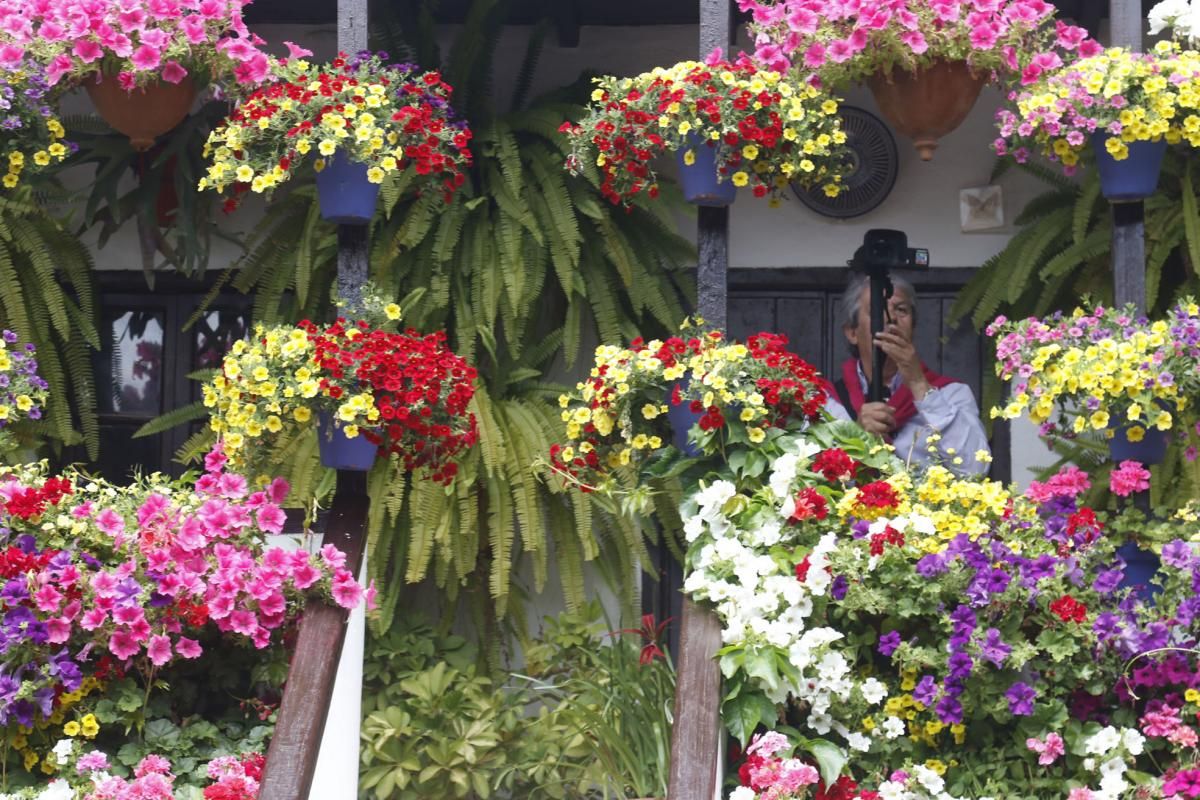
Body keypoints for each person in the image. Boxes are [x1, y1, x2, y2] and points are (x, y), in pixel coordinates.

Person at [824, 273, 991, 477]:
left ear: (913, 327)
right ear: (852, 332)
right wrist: (856, 439)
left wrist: (918, 382)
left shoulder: (952, 395)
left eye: (901, 310)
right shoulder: (828, 404)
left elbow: (975, 469)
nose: (891, 317)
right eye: (878, 310)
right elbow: (813, 482)